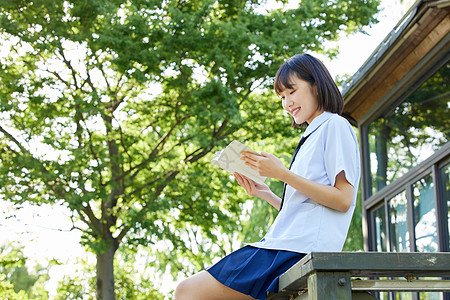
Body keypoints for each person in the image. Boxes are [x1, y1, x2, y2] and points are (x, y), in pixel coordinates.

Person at [175, 53, 361, 300]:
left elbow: (342, 199)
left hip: (294, 250)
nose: (286, 103)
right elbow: (309, 209)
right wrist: (268, 194)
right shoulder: (311, 135)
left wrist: (282, 174)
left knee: (187, 292)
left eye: (292, 92)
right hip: (287, 245)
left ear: (316, 86)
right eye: (282, 97)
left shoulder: (334, 125)